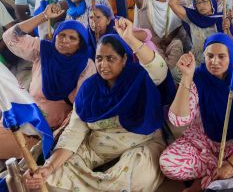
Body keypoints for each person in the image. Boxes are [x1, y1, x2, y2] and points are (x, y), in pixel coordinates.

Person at [24, 18, 172, 192]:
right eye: (99, 58)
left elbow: (159, 69)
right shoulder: (89, 88)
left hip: (140, 144)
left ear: (124, 59)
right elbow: (74, 131)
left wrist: (130, 38)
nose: (103, 65)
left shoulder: (138, 78)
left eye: (111, 58)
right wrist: (50, 167)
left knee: (135, 179)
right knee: (52, 177)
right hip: (97, 145)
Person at [159, 33, 233, 191]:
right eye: (210, 56)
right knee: (168, 163)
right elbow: (179, 120)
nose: (214, 62)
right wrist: (187, 77)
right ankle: (219, 178)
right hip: (205, 141)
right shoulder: (199, 78)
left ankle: (206, 181)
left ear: (232, 55)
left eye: (221, 56)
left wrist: (232, 163)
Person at [1, 4, 95, 159]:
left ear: (80, 44)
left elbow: (80, 107)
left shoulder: (86, 66)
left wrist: (56, 136)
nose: (65, 40)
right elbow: (11, 37)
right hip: (25, 112)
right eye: (61, 35)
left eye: (72, 38)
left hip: (48, 129)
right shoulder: (43, 50)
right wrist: (43, 16)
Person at [169, 0, 233, 64]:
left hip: (216, 62)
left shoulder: (221, 19)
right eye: (198, 3)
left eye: (204, 1)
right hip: (196, 61)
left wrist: (228, 31)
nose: (201, 5)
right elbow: (172, 3)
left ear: (212, 2)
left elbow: (232, 45)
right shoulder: (192, 17)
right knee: (176, 74)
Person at [134, 0, 184, 74]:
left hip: (168, 40)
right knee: (155, 57)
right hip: (151, 41)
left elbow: (177, 23)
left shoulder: (171, 1)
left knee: (177, 44)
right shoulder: (146, 0)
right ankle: (164, 75)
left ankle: (169, 74)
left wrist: (169, 38)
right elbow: (137, 0)